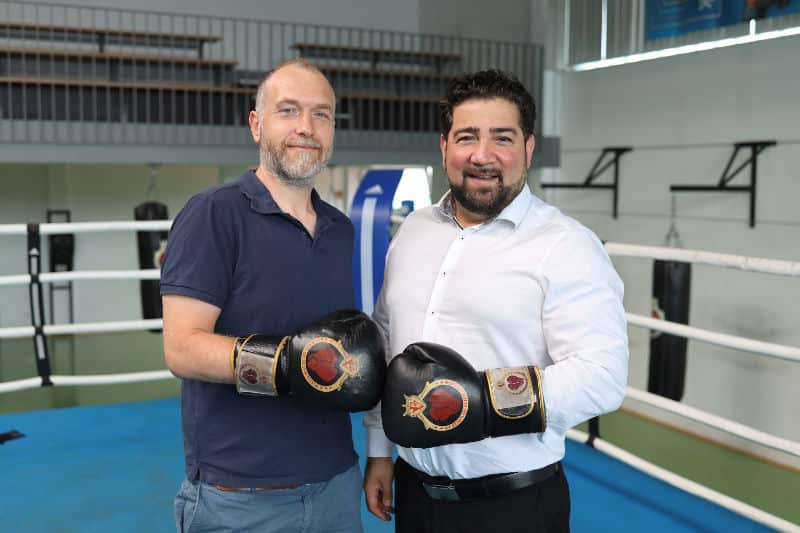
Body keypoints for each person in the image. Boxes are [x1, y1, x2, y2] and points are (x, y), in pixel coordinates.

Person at [363, 69, 629, 533]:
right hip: (414, 495)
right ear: (444, 147)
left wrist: (477, 402)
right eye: (467, 137)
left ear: (527, 149)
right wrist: (379, 452)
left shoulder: (566, 244)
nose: (483, 156)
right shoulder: (413, 231)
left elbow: (603, 375)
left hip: (514, 506)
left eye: (501, 139)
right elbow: (387, 340)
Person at [160, 59, 384, 533]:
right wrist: (296, 365)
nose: (306, 127)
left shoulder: (341, 230)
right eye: (289, 111)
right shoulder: (213, 215)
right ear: (256, 125)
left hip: (336, 483)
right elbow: (182, 347)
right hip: (240, 498)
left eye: (321, 114)